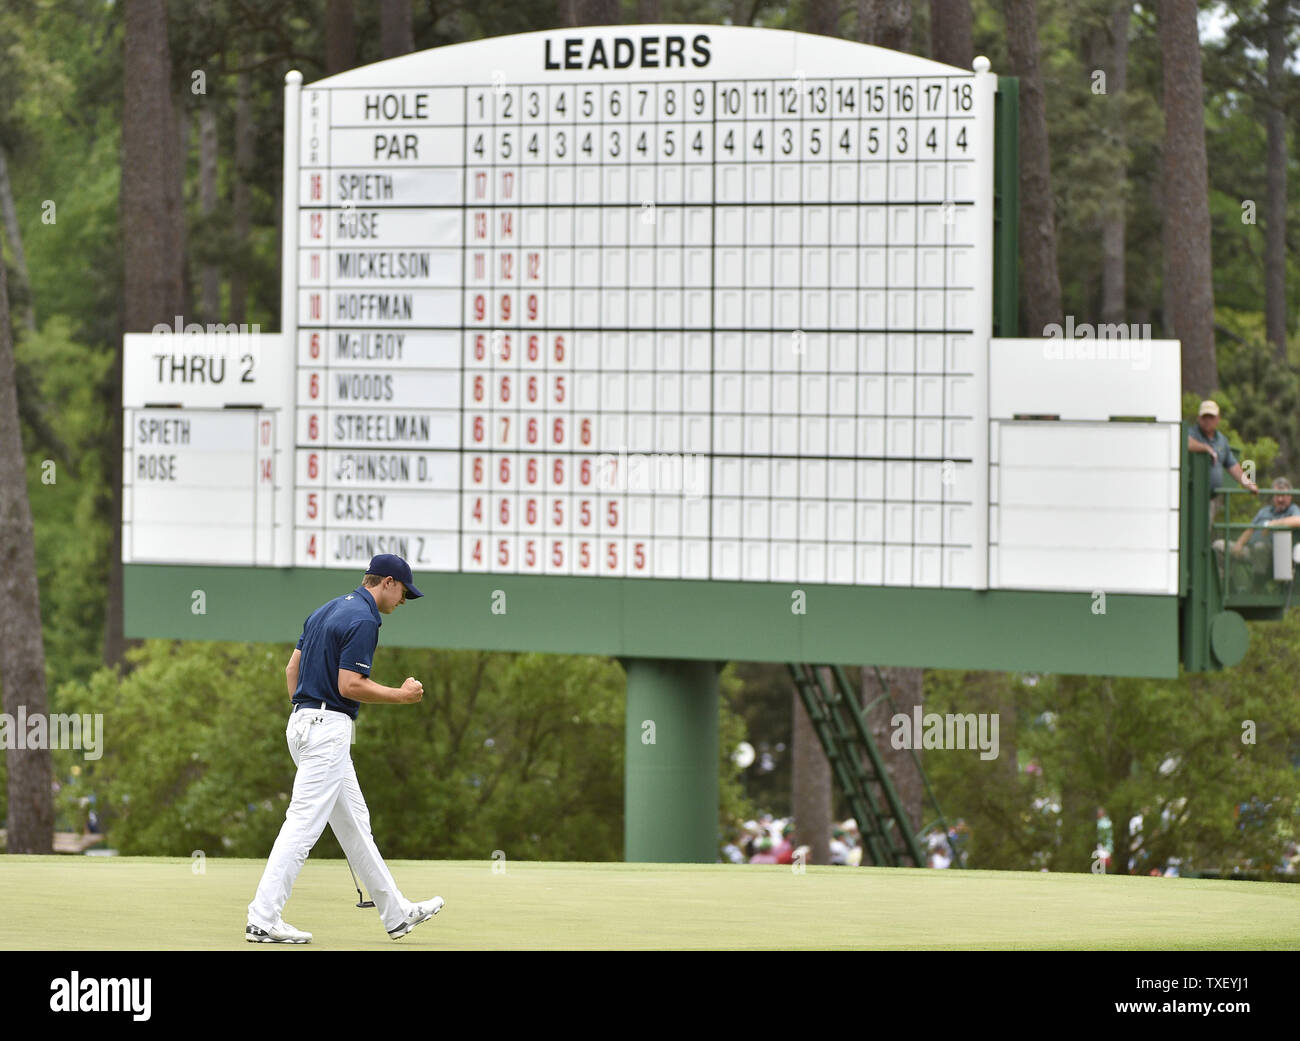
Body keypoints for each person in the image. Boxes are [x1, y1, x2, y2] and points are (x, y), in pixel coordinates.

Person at [246, 554, 444, 943]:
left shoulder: (326, 610)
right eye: (403, 591)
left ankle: (396, 913)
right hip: (327, 729)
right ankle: (263, 916)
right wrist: (401, 696)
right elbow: (349, 685)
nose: (403, 600)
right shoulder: (366, 619)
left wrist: (305, 715)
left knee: (355, 824)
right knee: (303, 822)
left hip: (303, 724)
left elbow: (292, 671)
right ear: (387, 582)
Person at [1188, 401, 1258, 536]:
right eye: (1205, 417)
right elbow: (1184, 442)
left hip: (1210, 499)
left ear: (1218, 419)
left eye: (1211, 417)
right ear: (1199, 418)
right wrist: (1205, 448)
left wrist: (1249, 484)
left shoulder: (1221, 440)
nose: (1208, 421)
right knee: (1190, 534)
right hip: (1190, 499)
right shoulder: (1192, 433)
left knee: (1203, 534)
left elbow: (1232, 465)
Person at [1227, 478, 1300, 587]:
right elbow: (1250, 529)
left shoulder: (1292, 509)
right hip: (1251, 551)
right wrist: (1239, 544)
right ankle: (1228, 588)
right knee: (1220, 546)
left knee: (1260, 547)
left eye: (1283, 495)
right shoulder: (1264, 511)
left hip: (1273, 557)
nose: (1280, 499)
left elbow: (1298, 520)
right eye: (1276, 496)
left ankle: (1257, 588)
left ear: (1290, 496)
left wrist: (1273, 524)